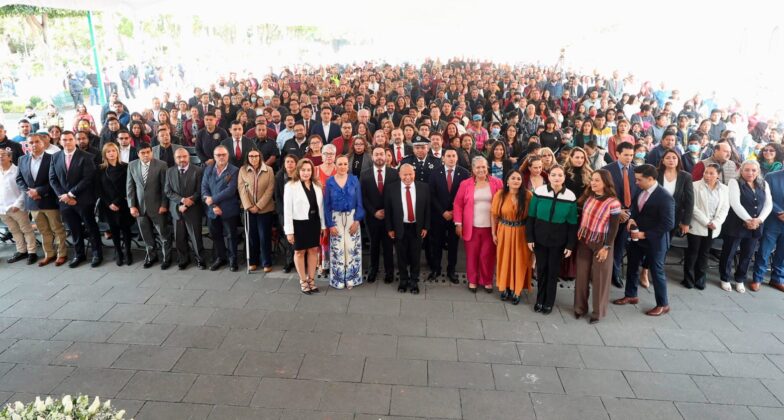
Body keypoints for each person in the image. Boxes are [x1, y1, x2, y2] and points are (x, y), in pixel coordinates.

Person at [613, 164, 675, 316]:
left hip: (655, 241)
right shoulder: (641, 189)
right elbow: (634, 207)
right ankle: (631, 295)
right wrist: (631, 219)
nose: (636, 182)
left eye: (639, 180)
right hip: (636, 238)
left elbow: (668, 224)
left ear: (651, 179)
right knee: (632, 267)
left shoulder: (665, 197)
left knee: (656, 271)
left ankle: (663, 304)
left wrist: (645, 234)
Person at [526, 165, 578, 314]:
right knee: (541, 270)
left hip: (558, 241)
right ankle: (539, 300)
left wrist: (570, 244)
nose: (557, 178)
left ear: (564, 177)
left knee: (553, 271)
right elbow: (531, 216)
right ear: (548, 177)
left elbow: (572, 223)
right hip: (540, 239)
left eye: (560, 175)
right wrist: (529, 237)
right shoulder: (540, 192)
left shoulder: (570, 196)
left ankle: (549, 302)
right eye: (553, 175)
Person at [50, 131, 103, 268]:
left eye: (69, 139)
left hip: (83, 200)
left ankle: (97, 254)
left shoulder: (86, 157)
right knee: (74, 229)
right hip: (65, 202)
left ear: (74, 141)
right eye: (64, 140)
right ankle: (79, 254)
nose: (67, 142)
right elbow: (53, 179)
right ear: (60, 142)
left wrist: (71, 194)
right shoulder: (55, 157)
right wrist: (64, 196)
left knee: (91, 227)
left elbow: (88, 179)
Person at [574, 169, 621, 323]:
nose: (593, 183)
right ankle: (579, 308)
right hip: (585, 240)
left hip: (602, 243)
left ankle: (597, 313)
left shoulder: (613, 202)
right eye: (592, 179)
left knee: (600, 279)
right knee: (581, 276)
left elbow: (614, 227)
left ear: (606, 183)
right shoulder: (589, 196)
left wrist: (606, 247)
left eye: (597, 180)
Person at [720, 160, 772, 292]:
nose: (750, 173)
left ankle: (740, 279)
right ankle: (725, 278)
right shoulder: (734, 182)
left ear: (758, 171)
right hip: (736, 224)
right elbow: (735, 203)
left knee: (747, 254)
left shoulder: (763, 183)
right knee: (729, 252)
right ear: (741, 171)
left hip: (756, 225)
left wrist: (759, 220)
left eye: (753, 170)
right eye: (747, 170)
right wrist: (749, 220)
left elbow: (768, 204)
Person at [16, 134, 68, 266]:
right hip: (33, 202)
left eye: (37, 142)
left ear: (43, 143)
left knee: (57, 229)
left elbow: (55, 180)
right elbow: (19, 179)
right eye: (30, 143)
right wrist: (29, 192)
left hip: (49, 200)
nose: (34, 145)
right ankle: (49, 254)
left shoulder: (52, 158)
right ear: (26, 145)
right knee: (43, 230)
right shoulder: (22, 159)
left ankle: (62, 254)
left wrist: (38, 191)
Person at [454, 156, 504, 292]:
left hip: (491, 227)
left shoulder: (497, 183)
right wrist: (458, 223)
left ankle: (487, 280)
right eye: (478, 167)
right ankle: (472, 280)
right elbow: (458, 204)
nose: (481, 170)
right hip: (472, 226)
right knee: (472, 255)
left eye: (483, 167)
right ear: (473, 169)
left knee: (487, 256)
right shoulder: (465, 184)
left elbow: (502, 203)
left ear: (487, 167)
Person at [385, 164, 430, 294]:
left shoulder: (424, 187)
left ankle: (414, 281)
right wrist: (390, 229)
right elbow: (388, 211)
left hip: (417, 227)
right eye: (405, 174)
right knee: (401, 255)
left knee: (416, 256)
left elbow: (427, 209)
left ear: (414, 174)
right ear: (399, 175)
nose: (408, 177)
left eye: (410, 174)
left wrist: (426, 227)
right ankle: (403, 281)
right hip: (400, 227)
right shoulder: (391, 188)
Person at [683, 163, 729, 290]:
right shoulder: (695, 185)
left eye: (711, 173)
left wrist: (716, 222)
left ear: (718, 175)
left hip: (714, 226)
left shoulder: (725, 189)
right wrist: (706, 222)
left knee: (705, 253)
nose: (707, 176)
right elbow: (692, 207)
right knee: (693, 252)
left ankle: (700, 278)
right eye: (706, 173)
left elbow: (725, 208)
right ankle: (688, 278)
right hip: (698, 224)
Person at [284, 158, 326, 294]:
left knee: (313, 250)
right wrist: (289, 231)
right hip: (298, 223)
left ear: (312, 171)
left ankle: (312, 280)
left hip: (314, 222)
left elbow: (321, 208)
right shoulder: (290, 186)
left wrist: (323, 226)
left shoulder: (317, 185)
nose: (306, 173)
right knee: (299, 252)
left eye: (309, 170)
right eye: (303, 170)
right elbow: (287, 210)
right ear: (298, 170)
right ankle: (303, 280)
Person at [128, 143, 173, 269]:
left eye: (148, 152)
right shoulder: (132, 165)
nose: (146, 155)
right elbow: (130, 187)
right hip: (140, 208)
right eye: (143, 153)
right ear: (138, 154)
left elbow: (165, 187)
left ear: (151, 152)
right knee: (146, 235)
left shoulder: (161, 165)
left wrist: (164, 204)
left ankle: (166, 258)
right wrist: (132, 205)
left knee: (163, 234)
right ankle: (151, 256)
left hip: (158, 206)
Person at [491, 169, 533, 304]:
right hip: (504, 231)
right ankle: (505, 287)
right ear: (507, 181)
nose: (516, 181)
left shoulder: (528, 196)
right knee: (505, 259)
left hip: (522, 231)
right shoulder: (500, 195)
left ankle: (517, 290)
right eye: (513, 178)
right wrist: (493, 232)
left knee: (520, 260)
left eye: (519, 179)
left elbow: (532, 217)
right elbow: (494, 215)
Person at [429, 148, 470, 283]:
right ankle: (436, 269)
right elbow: (432, 195)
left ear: (457, 158)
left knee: (453, 245)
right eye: (448, 156)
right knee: (437, 244)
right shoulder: (435, 173)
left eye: (453, 156)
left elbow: (465, 196)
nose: (451, 158)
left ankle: (451, 270)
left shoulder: (464, 173)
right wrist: (443, 212)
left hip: (455, 216)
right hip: (438, 215)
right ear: (443, 158)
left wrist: (453, 212)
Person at [324, 155, 365, 289]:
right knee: (338, 249)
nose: (342, 167)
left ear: (348, 166)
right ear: (335, 165)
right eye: (340, 164)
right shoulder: (330, 181)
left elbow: (360, 202)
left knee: (352, 248)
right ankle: (338, 279)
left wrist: (357, 220)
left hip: (352, 217)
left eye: (345, 164)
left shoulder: (354, 180)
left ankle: (352, 278)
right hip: (335, 218)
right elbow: (327, 205)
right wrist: (330, 224)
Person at [360, 145, 399, 284]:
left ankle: (389, 272)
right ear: (372, 157)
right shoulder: (365, 174)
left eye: (382, 154)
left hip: (389, 218)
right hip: (372, 217)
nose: (379, 157)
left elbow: (396, 196)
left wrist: (386, 212)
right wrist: (374, 212)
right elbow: (363, 197)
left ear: (386, 156)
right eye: (376, 154)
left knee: (388, 246)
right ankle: (373, 270)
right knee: (374, 245)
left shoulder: (394, 174)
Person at [202, 145, 241, 272]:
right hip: (212, 210)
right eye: (218, 155)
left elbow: (230, 190)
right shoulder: (208, 170)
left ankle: (233, 260)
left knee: (231, 236)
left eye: (223, 154)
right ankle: (220, 258)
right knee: (216, 235)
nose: (221, 157)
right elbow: (204, 189)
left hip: (228, 210)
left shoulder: (234, 170)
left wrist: (213, 200)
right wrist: (213, 205)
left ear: (228, 155)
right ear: (214, 156)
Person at [166, 148, 206, 270]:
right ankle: (183, 259)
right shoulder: (169, 171)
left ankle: (200, 260)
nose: (182, 159)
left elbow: (200, 191)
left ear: (188, 157)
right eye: (179, 157)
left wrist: (189, 202)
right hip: (177, 209)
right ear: (175, 158)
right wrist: (182, 201)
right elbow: (168, 191)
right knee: (179, 237)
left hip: (193, 209)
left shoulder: (198, 171)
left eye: (184, 156)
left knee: (195, 236)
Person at [604, 142, 638, 288]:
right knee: (607, 244)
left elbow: (637, 195)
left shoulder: (636, 171)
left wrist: (629, 214)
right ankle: (603, 272)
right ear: (617, 154)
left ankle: (615, 273)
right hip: (610, 215)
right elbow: (603, 193)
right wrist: (618, 211)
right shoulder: (606, 170)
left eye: (631, 155)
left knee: (619, 246)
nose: (629, 158)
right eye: (626, 155)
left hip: (627, 216)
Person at [238, 148, 275, 272]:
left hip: (265, 209)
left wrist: (258, 206)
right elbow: (241, 189)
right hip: (249, 210)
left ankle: (266, 262)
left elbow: (270, 190)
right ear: (247, 158)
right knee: (251, 236)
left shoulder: (269, 170)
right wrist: (249, 206)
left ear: (260, 157)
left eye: (256, 156)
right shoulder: (243, 170)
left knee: (264, 236)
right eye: (251, 156)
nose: (253, 158)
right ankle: (253, 261)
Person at [97, 142, 134, 266]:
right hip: (108, 205)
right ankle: (119, 252)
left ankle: (128, 252)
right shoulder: (100, 169)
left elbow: (128, 186)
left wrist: (117, 201)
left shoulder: (126, 166)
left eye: (113, 151)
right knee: (113, 229)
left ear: (117, 152)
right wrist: (109, 203)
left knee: (126, 229)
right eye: (108, 151)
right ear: (105, 154)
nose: (111, 153)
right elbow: (99, 189)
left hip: (122, 203)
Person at [0, 149, 38, 264]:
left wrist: (17, 204)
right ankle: (21, 251)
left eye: (3, 155)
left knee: (26, 229)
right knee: (14, 231)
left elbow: (24, 190)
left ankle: (32, 252)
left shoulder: (17, 171)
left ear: (10, 157)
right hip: (2, 208)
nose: (0, 157)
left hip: (17, 207)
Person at [752, 168, 784, 292]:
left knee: (782, 253)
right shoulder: (772, 176)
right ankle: (757, 278)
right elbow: (765, 197)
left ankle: (777, 279)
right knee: (764, 250)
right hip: (773, 220)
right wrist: (779, 212)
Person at [657, 149, 694, 237]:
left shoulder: (686, 177)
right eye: (668, 158)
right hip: (656, 214)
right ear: (663, 161)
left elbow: (690, 201)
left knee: (668, 241)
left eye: (674, 158)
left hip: (675, 216)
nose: (671, 160)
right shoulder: (656, 173)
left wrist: (686, 222)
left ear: (678, 160)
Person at [275, 154, 298, 273]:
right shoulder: (279, 176)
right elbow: (277, 196)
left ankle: (299, 260)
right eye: (287, 162)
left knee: (299, 236)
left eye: (292, 162)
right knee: (287, 237)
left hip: (298, 212)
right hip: (284, 212)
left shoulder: (300, 176)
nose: (289, 164)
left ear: (296, 163)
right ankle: (289, 261)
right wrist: (283, 212)